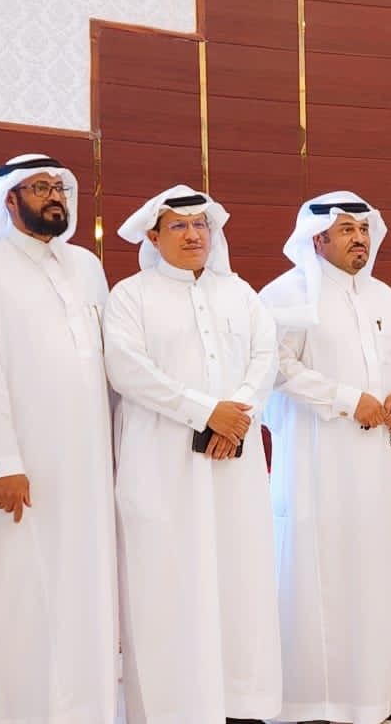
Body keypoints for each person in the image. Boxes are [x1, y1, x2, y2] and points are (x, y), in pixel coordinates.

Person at [0, 154, 119, 722]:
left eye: (60, 188)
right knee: (17, 595)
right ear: (9, 200)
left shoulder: (86, 266)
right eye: (40, 187)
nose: (54, 197)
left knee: (84, 591)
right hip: (18, 465)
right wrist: (6, 460)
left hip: (88, 462)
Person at [102, 186, 281, 723]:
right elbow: (128, 370)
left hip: (235, 462)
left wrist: (237, 414)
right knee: (169, 581)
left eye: (200, 224)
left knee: (240, 578)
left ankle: (241, 704)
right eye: (178, 226)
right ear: (153, 236)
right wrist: (206, 412)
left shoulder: (240, 293)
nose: (192, 234)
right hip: (162, 465)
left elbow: (265, 357)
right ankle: (176, 708)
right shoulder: (130, 296)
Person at [260, 192, 391, 724]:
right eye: (347, 229)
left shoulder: (382, 295)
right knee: (316, 571)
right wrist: (348, 400)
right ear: (317, 238)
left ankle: (375, 694)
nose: (360, 239)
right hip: (316, 460)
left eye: (364, 229)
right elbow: (275, 368)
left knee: (373, 569)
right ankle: (313, 701)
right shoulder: (287, 293)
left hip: (375, 463)